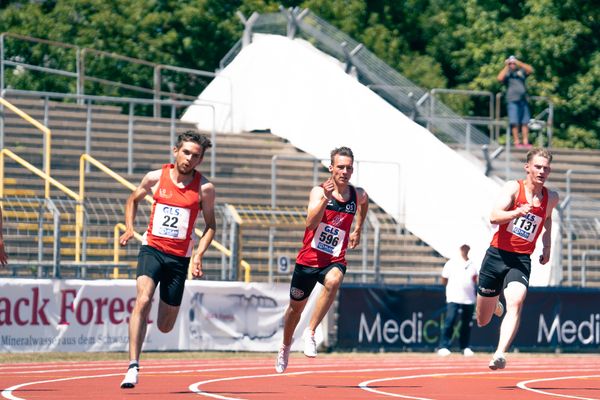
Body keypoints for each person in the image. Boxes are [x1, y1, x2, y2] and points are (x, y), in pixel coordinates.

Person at [119, 130, 216, 388]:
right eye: (186, 152)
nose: (189, 159)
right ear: (175, 151)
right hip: (152, 248)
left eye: (195, 156)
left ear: (200, 160)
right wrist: (130, 227)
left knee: (164, 326)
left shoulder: (205, 188)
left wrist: (198, 255)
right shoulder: (155, 177)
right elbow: (133, 198)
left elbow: (210, 226)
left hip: (178, 260)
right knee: (142, 299)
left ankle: (159, 317)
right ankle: (132, 366)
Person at [275, 146, 369, 374]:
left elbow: (364, 204)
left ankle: (311, 332)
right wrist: (325, 199)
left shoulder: (357, 194)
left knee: (334, 280)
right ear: (331, 168)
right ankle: (285, 346)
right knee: (294, 310)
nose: (344, 172)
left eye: (348, 168)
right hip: (309, 260)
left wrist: (358, 228)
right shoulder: (319, 192)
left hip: (334, 259)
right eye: (340, 167)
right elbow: (310, 223)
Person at [476, 148, 558, 370]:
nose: (542, 171)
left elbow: (548, 218)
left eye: (546, 168)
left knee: (517, 300)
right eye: (538, 167)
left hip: (520, 259)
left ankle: (500, 354)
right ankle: (495, 305)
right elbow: (494, 216)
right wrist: (517, 212)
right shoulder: (513, 187)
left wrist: (547, 245)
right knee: (482, 320)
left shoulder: (551, 197)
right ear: (528, 167)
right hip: (496, 255)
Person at [437, 244, 478, 357]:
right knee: (450, 320)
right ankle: (443, 346)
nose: (465, 249)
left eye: (467, 247)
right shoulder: (451, 263)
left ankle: (464, 347)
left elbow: (475, 280)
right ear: (459, 248)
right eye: (463, 247)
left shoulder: (473, 264)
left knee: (466, 323)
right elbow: (444, 279)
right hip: (454, 297)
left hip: (469, 298)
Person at [497, 55, 534, 148]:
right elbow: (499, 78)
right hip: (512, 100)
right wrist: (507, 66)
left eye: (513, 63)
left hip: (523, 100)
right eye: (511, 63)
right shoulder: (508, 73)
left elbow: (530, 70)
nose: (512, 64)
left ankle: (525, 142)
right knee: (515, 122)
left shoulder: (521, 71)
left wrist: (518, 63)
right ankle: (517, 142)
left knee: (525, 122)